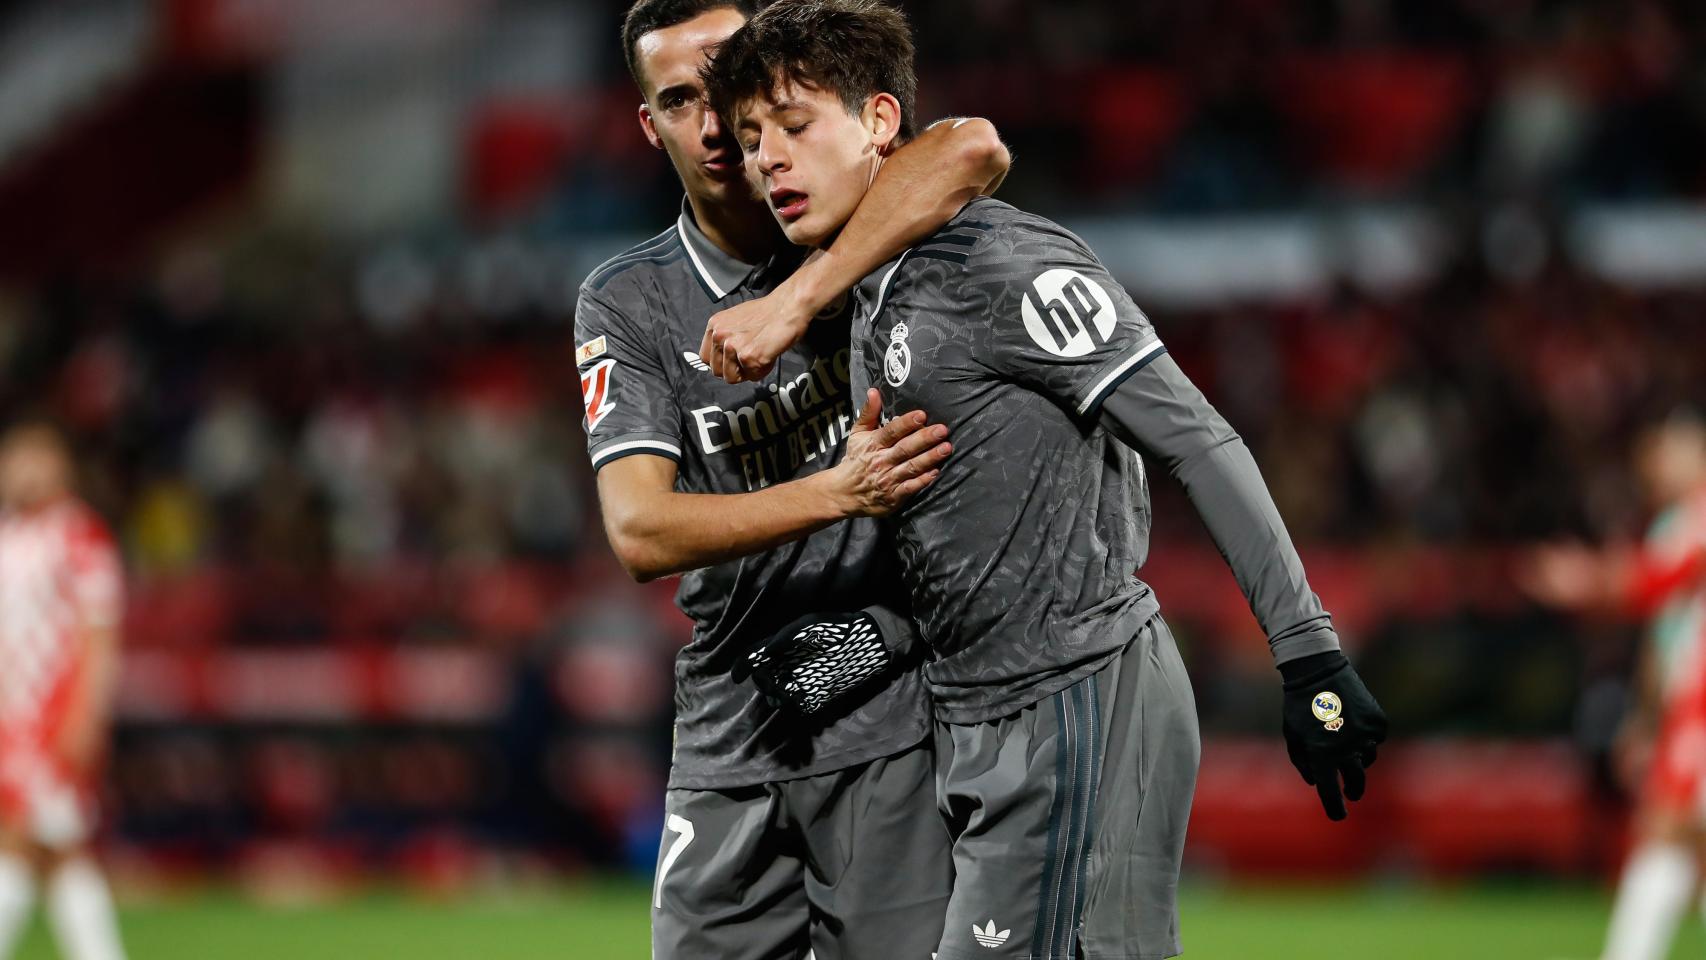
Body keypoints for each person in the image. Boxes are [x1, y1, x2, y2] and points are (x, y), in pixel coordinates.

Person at [700, 3, 1388, 957]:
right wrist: (867, 640)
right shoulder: (872, 297)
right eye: (749, 138)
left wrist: (1307, 651)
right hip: (989, 718)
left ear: (881, 124)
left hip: (1079, 700)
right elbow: (973, 522)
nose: (767, 157)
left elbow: (1196, 439)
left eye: (795, 124)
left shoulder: (1002, 262)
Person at [578, 2, 1010, 957]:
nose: (714, 123)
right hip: (731, 728)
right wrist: (839, 492)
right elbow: (640, 532)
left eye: (730, 85)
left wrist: (800, 295)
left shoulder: (844, 210)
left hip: (888, 720)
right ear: (650, 124)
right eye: (681, 99)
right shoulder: (630, 298)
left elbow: (973, 147)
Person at [1525, 411, 1706, 960]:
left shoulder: (1697, 521)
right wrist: (1647, 718)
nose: (1658, 467)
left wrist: (1586, 580)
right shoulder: (1673, 526)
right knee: (1674, 838)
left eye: (1668, 453)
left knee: (1667, 835)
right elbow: (1664, 637)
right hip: (1687, 712)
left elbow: (1653, 583)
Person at [0, 422, 126, 960]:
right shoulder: (7, 535)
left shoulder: (79, 535)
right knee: (35, 843)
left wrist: (85, 713)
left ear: (60, 466)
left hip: (52, 712)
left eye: (32, 457)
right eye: (12, 457)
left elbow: (100, 628)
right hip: (10, 713)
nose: (18, 469)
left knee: (46, 840)